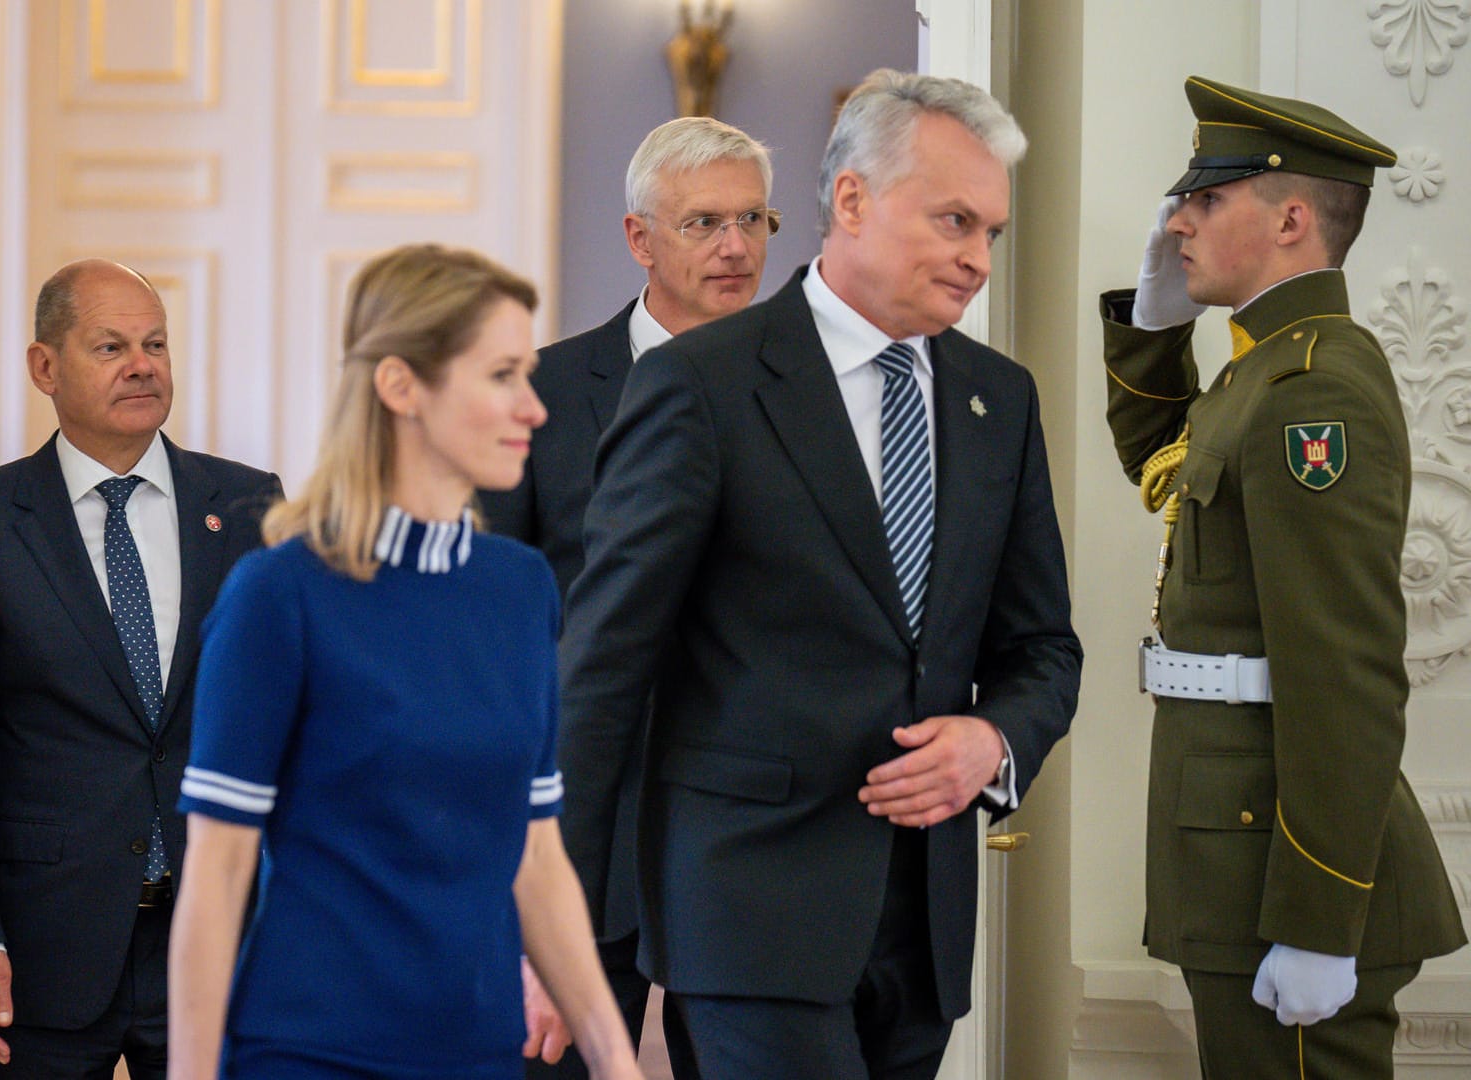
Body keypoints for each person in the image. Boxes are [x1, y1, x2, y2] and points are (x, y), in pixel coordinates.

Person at [556, 68, 1081, 1078]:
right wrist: (558, 925)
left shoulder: (997, 400)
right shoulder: (699, 383)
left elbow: (1042, 647)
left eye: (991, 234)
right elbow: (603, 667)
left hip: (923, 924)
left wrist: (994, 741)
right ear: (851, 201)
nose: (977, 259)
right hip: (748, 914)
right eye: (954, 221)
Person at [167, 244, 645, 1080]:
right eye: (501, 375)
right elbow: (217, 873)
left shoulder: (521, 588)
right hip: (311, 1052)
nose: (534, 408)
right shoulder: (280, 595)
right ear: (400, 386)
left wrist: (616, 1059)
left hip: (480, 1051)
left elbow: (536, 855)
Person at [1100, 76, 1466, 1079]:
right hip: (1229, 846)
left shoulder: (1317, 392)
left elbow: (1343, 671)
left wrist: (1319, 916)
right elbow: (1157, 463)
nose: (1179, 219)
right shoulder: (1255, 372)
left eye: (1206, 199)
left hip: (1280, 870)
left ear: (1292, 218)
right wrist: (1153, 319)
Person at [0, 258, 283, 1078]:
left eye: (155, 344)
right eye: (111, 346)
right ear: (46, 366)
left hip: (220, 934)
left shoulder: (250, 505)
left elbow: (290, 720)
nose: (142, 365)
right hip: (45, 943)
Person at [476, 113, 775, 1080]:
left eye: (754, 220)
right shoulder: (545, 393)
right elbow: (488, 618)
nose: (735, 247)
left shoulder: (820, 392)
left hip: (748, 825)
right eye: (703, 224)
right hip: (578, 816)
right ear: (640, 238)